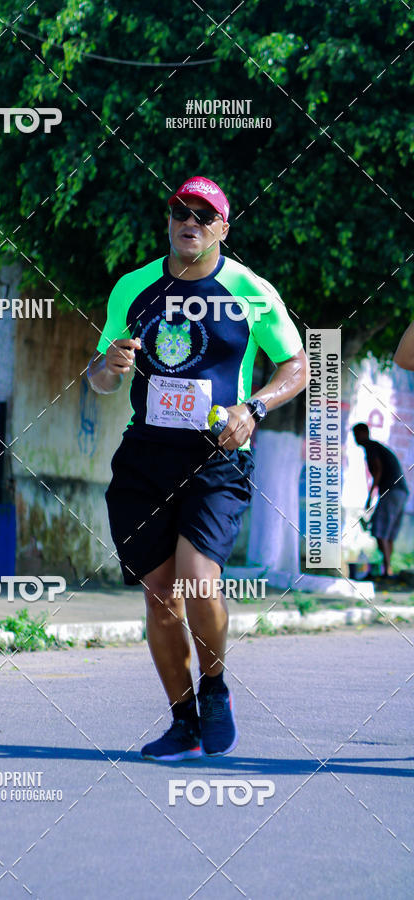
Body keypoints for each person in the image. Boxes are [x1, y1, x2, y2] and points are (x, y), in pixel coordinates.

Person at [87, 176, 308, 761]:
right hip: (144, 458)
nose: (192, 222)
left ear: (223, 228)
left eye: (205, 216)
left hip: (216, 458)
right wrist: (109, 366)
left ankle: (214, 689)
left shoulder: (250, 290)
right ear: (169, 219)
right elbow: (102, 378)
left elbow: (297, 366)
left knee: (197, 579)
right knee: (161, 596)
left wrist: (253, 407)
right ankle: (182, 721)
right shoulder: (133, 288)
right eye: (182, 211)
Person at [352, 423, 409, 577]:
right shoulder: (375, 447)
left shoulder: (371, 447)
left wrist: (370, 496)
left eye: (356, 434)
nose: (355, 439)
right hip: (401, 492)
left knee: (380, 531)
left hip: (392, 491)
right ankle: (388, 569)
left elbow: (377, 470)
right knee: (388, 533)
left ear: (364, 433)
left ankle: (387, 569)